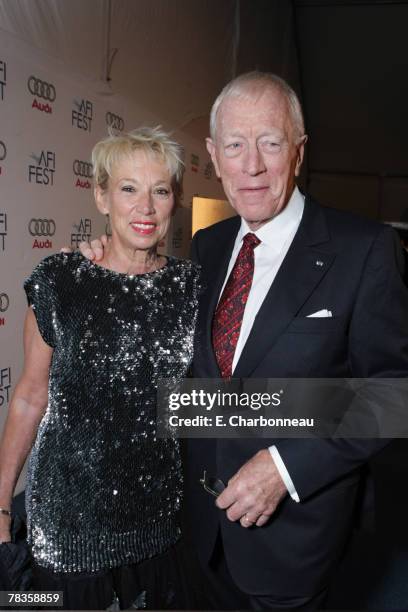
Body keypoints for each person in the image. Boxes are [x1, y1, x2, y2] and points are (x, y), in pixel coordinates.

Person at [78, 72, 408, 610]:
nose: (251, 165)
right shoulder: (207, 247)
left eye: (270, 143)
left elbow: (392, 393)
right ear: (213, 153)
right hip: (196, 535)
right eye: (234, 145)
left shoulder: (364, 249)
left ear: (299, 151)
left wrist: (284, 466)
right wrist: (105, 267)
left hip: (293, 545)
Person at [0, 127, 200, 610]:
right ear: (101, 196)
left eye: (160, 190)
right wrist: (2, 504)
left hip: (159, 523)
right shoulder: (60, 281)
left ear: (175, 200)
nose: (145, 208)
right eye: (128, 188)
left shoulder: (193, 287)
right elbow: (30, 396)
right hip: (69, 527)